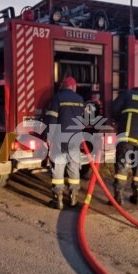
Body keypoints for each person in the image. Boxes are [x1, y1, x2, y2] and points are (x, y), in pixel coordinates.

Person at [44, 76, 85, 209]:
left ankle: (58, 201)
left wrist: (49, 138)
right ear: (74, 87)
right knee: (73, 168)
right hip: (75, 140)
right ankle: (74, 199)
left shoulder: (58, 98)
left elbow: (52, 120)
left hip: (60, 139)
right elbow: (82, 122)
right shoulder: (80, 100)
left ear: (63, 86)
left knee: (58, 169)